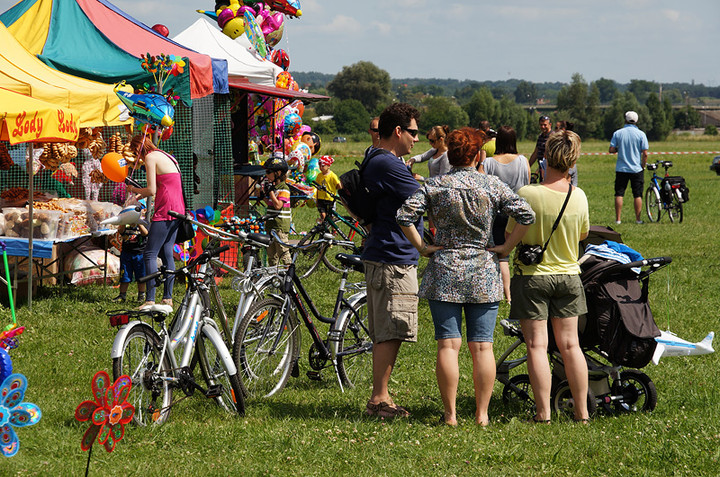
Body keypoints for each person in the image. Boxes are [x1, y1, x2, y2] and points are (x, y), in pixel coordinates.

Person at [397, 127, 534, 426]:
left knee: (448, 345)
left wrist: (422, 247)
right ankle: (482, 415)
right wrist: (506, 247)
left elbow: (404, 216)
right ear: (477, 155)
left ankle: (450, 415)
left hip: (444, 268)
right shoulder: (491, 185)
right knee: (482, 346)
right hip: (484, 270)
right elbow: (527, 214)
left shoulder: (435, 185)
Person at [503, 130, 590, 424]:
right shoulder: (578, 196)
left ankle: (543, 413)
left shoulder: (528, 194)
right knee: (570, 346)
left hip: (533, 277)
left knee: (537, 346)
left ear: (545, 158)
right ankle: (582, 412)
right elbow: (583, 234)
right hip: (569, 276)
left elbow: (509, 233)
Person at [362, 102, 422, 419]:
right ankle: (379, 400)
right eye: (412, 132)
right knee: (391, 329)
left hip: (385, 254)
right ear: (398, 131)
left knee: (390, 328)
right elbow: (424, 198)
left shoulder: (378, 158)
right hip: (392, 260)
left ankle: (381, 395)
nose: (416, 138)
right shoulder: (388, 164)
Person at [127, 133, 186, 309]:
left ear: (139, 148)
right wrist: (137, 195)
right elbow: (163, 184)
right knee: (167, 251)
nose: (137, 157)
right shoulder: (165, 155)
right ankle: (167, 297)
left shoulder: (151, 157)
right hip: (178, 208)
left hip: (165, 209)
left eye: (135, 152)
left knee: (149, 253)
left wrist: (132, 188)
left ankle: (150, 299)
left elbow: (152, 190)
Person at [482, 125, 531, 303]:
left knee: (502, 255)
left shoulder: (488, 163)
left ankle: (507, 296)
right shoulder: (523, 161)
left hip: (497, 214)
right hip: (519, 213)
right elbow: (526, 185)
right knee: (522, 252)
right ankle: (522, 292)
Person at [610, 111, 649, 224]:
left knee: (619, 193)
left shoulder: (618, 133)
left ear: (625, 120)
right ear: (636, 121)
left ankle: (618, 219)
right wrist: (643, 165)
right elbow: (645, 153)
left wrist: (619, 149)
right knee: (637, 194)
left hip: (621, 168)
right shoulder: (641, 134)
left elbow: (611, 149)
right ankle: (638, 219)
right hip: (636, 168)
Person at [263, 153, 292, 266]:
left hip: (280, 226)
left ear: (278, 173)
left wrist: (270, 192)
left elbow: (278, 205)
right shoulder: (275, 188)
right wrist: (263, 195)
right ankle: (273, 276)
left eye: (269, 172)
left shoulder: (284, 188)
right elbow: (270, 203)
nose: (266, 175)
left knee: (283, 252)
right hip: (271, 225)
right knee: (271, 255)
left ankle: (289, 273)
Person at [112, 219, 148, 304]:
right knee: (125, 275)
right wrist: (125, 220)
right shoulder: (126, 224)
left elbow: (145, 233)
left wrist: (138, 223)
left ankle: (141, 295)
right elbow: (120, 231)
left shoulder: (143, 223)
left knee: (141, 276)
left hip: (139, 253)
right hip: (126, 253)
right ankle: (122, 295)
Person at [314, 155, 342, 221]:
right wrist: (317, 199)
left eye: (323, 166)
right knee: (323, 215)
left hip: (330, 199)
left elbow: (339, 185)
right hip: (321, 199)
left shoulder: (332, 175)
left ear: (328, 166)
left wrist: (335, 188)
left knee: (331, 217)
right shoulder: (319, 176)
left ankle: (333, 230)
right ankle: (325, 229)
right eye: (320, 165)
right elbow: (318, 188)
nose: (321, 167)